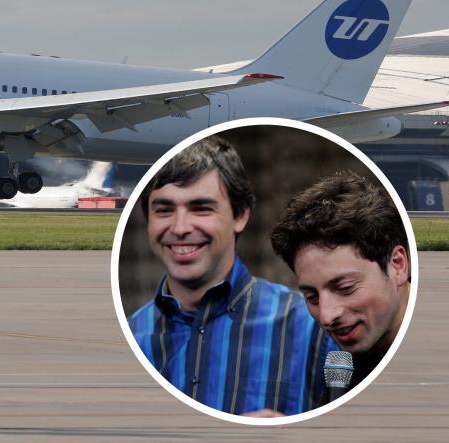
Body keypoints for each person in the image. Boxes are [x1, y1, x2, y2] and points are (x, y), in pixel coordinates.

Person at [127, 135, 337, 416]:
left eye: (201, 208)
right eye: (164, 210)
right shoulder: (132, 334)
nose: (180, 227)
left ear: (240, 216)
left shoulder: (314, 327)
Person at [270, 171, 410, 394]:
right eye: (312, 297)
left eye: (345, 288)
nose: (327, 316)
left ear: (397, 265)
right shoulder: (335, 375)